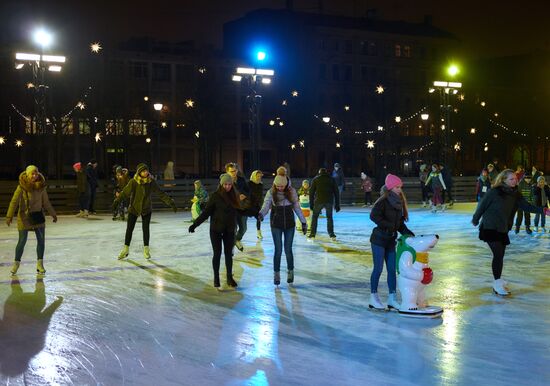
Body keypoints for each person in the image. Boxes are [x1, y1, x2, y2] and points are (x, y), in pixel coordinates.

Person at [472, 169, 549, 296]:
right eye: (511, 179)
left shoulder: (516, 194)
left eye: (515, 179)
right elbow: (482, 206)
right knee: (498, 254)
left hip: (503, 228)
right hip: (489, 227)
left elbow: (526, 207)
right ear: (504, 180)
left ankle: (497, 282)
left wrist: (543, 210)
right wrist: (475, 219)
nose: (515, 181)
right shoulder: (494, 192)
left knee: (500, 255)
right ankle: (497, 283)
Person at [188, 173, 244, 289]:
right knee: (217, 254)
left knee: (229, 255)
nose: (227, 186)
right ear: (221, 184)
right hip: (216, 230)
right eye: (225, 184)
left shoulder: (235, 196)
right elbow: (206, 213)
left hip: (229, 230)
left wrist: (255, 214)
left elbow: (240, 211)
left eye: (229, 184)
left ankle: (229, 277)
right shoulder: (215, 196)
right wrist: (195, 225)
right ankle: (216, 277)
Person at [368, 174, 414, 310]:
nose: (400, 190)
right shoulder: (383, 201)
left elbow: (399, 224)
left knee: (392, 269)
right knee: (378, 268)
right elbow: (373, 216)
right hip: (379, 239)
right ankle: (373, 297)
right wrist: (387, 225)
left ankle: (392, 298)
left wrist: (409, 235)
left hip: (390, 240)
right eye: (397, 187)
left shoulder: (398, 202)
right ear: (390, 188)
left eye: (400, 187)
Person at [113, 163, 177, 260]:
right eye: (143, 171)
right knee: (129, 229)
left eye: (146, 170)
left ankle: (146, 250)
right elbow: (125, 192)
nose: (146, 172)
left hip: (146, 208)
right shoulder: (133, 182)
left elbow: (160, 193)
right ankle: (125, 249)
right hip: (134, 208)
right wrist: (117, 202)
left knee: (146, 229)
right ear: (139, 172)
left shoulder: (151, 182)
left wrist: (170, 202)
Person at [6, 165, 58, 275]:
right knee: (22, 241)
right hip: (24, 217)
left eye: (36, 173)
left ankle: (40, 264)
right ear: (27, 174)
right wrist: (9, 216)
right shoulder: (22, 187)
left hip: (38, 216)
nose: (34, 176)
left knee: (41, 240)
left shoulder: (41, 187)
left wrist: (53, 214)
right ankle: (16, 263)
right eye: (32, 174)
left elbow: (46, 202)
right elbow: (14, 202)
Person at [259, 175, 307, 285]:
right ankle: (276, 274)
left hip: (289, 224)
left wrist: (303, 222)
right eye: (278, 186)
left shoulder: (291, 191)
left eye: (282, 186)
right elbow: (266, 205)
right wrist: (261, 214)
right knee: (278, 250)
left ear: (286, 184)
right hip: (276, 224)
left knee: (288, 249)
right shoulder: (271, 192)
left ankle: (290, 271)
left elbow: (296, 207)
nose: (280, 188)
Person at [309, 168, 340, 239]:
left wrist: (311, 204)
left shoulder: (316, 179)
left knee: (315, 217)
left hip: (318, 201)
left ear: (319, 173)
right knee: (329, 217)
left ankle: (312, 234)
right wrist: (337, 204)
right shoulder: (331, 179)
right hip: (329, 201)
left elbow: (311, 192)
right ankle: (331, 234)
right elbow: (336, 192)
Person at [225, 162, 250, 251]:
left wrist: (245, 195)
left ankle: (236, 240)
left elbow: (248, 191)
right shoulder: (224, 182)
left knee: (243, 228)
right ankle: (231, 250)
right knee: (233, 229)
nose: (234, 173)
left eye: (235, 171)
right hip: (231, 209)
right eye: (231, 171)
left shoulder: (242, 180)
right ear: (227, 172)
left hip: (242, 208)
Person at [248, 170, 264, 240]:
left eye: (260, 176)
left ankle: (258, 232)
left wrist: (261, 204)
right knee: (242, 222)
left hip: (257, 205)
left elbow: (260, 195)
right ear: (254, 176)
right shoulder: (249, 183)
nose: (259, 178)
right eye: (257, 176)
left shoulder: (261, 184)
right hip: (248, 205)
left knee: (259, 218)